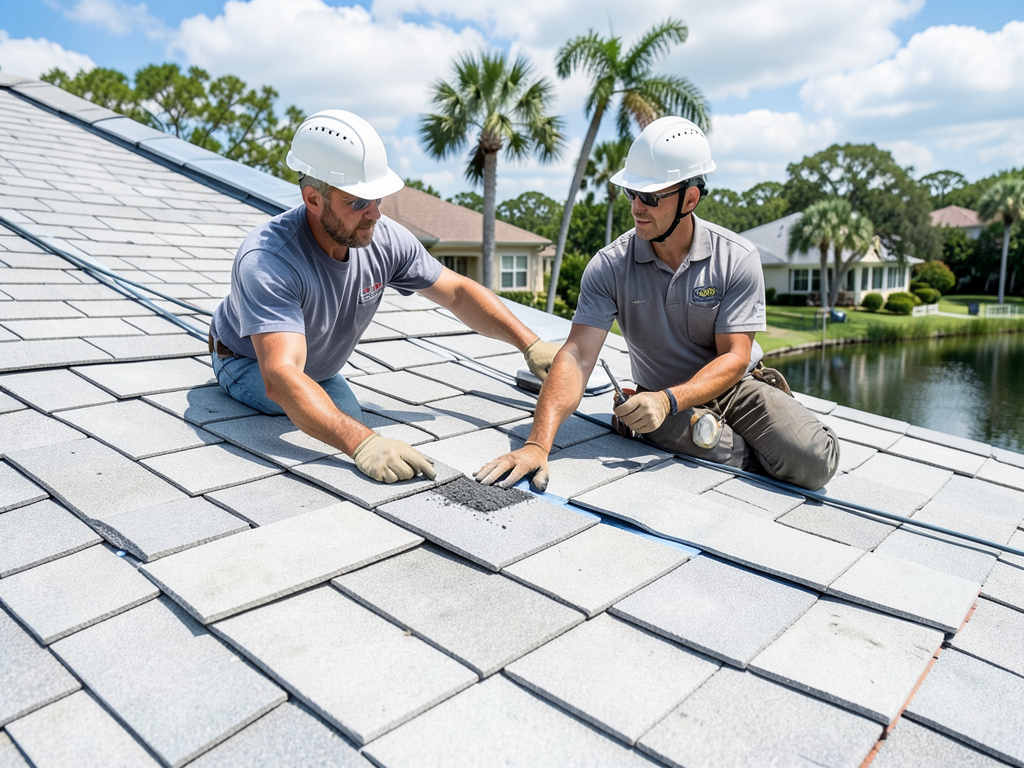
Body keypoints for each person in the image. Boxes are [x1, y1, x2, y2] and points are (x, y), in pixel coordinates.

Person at [476, 116, 839, 492]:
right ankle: (741, 448)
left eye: (649, 197)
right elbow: (577, 357)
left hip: (734, 388)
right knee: (737, 448)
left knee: (814, 463)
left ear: (690, 198)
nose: (636, 207)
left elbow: (734, 357)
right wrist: (537, 444)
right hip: (658, 401)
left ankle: (719, 439)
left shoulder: (736, 257)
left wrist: (670, 402)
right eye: (632, 193)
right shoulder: (609, 266)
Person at [208, 109, 560, 484]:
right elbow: (280, 376)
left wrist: (530, 344)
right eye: (357, 202)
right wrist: (362, 443)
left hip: (316, 367)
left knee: (339, 412)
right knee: (339, 421)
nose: (374, 214)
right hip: (247, 362)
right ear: (313, 199)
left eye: (377, 198)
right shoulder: (267, 261)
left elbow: (457, 293)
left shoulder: (381, 236)